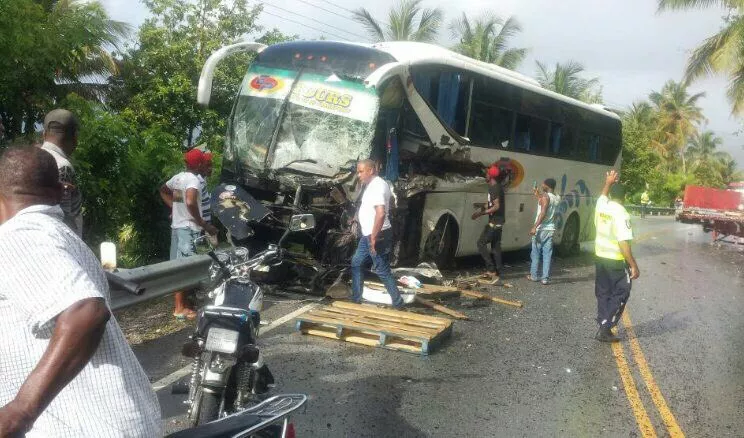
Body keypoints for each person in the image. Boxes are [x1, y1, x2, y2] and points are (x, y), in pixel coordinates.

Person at [0, 147, 162, 437]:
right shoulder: (60, 235)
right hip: (120, 421)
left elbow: (86, 312)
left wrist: (21, 410)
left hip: (83, 428)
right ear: (61, 192)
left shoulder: (18, 237)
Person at [160, 148, 218, 320]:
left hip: (178, 227)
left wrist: (175, 208)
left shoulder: (178, 177)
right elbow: (191, 202)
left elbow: (163, 190)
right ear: (199, 164)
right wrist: (203, 224)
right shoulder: (193, 180)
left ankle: (184, 305)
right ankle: (179, 308)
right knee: (186, 268)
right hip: (189, 229)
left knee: (180, 266)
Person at [350, 159, 404, 308]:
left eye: (361, 171)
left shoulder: (378, 186)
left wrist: (374, 237)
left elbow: (380, 214)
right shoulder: (371, 185)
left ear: (371, 170)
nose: (358, 175)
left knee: (381, 269)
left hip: (377, 235)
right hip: (368, 235)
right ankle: (356, 300)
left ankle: (399, 303)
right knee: (356, 262)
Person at [594, 170, 640, 342]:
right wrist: (633, 264)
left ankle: (602, 322)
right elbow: (623, 243)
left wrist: (608, 182)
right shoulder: (621, 213)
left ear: (611, 194)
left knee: (603, 292)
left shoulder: (601, 206)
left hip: (600, 257)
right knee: (622, 292)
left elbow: (602, 195)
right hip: (615, 261)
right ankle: (605, 327)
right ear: (625, 197)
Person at [40, 109, 83, 236]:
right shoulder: (63, 166)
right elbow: (63, 214)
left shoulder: (35, 160)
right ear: (75, 137)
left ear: (44, 134)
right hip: (58, 241)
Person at [472, 165, 505, 283]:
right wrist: (480, 208)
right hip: (499, 223)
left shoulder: (494, 188)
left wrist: (481, 214)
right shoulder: (498, 187)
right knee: (496, 248)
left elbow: (496, 206)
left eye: (486, 174)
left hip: (494, 223)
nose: (485, 176)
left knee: (481, 243)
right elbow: (490, 204)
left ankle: (491, 269)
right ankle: (497, 272)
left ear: (490, 176)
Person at [528, 178, 560, 285]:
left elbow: (543, 212)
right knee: (547, 255)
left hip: (541, 229)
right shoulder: (556, 197)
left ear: (548, 186)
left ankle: (534, 275)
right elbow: (544, 203)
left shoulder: (545, 197)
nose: (542, 185)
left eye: (544, 184)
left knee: (535, 253)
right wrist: (537, 195)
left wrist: (534, 227)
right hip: (550, 229)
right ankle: (545, 278)